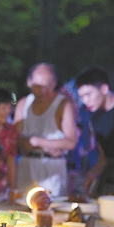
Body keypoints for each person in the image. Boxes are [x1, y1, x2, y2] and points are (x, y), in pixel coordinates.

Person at [14, 63, 77, 196]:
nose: (43, 91)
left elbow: (71, 142)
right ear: (29, 82)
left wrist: (36, 142)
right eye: (37, 86)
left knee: (52, 205)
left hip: (52, 168)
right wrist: (46, 146)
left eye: (47, 86)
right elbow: (15, 138)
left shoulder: (63, 104)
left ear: (54, 83)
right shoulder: (23, 103)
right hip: (27, 166)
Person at [75, 67, 114, 195]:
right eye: (81, 97)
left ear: (104, 89)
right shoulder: (94, 120)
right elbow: (104, 158)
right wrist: (92, 173)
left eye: (88, 94)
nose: (85, 101)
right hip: (112, 183)